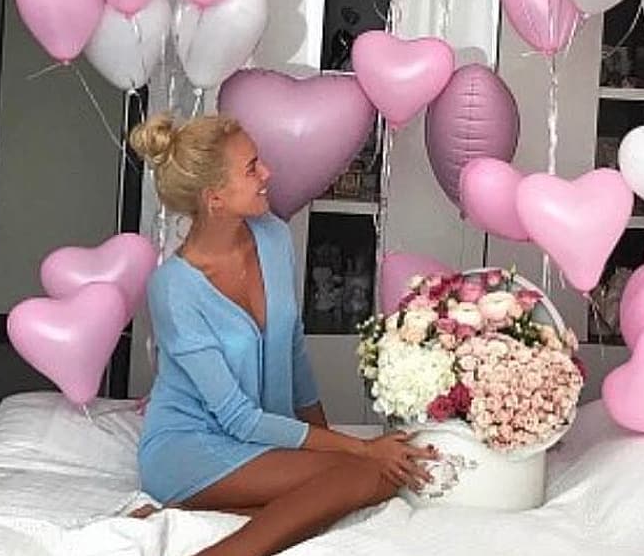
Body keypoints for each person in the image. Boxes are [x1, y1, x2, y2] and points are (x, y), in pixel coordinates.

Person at [129, 113, 435, 556]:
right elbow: (238, 419)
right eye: (251, 168)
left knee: (375, 478)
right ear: (215, 199)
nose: (267, 173)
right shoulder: (174, 289)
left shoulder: (272, 237)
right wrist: (359, 451)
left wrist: (333, 453)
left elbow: (294, 355)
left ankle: (179, 515)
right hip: (188, 446)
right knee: (370, 472)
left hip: (258, 437)